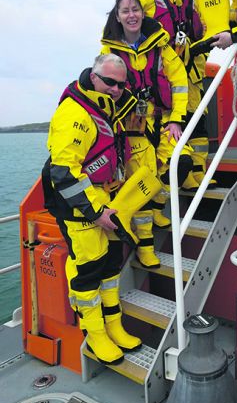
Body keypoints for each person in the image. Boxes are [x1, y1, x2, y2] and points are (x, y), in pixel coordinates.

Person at [42, 54, 161, 365]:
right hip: (81, 209)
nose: (116, 89)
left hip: (106, 201)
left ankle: (114, 326)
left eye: (121, 84)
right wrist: (97, 213)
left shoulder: (105, 107)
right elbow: (64, 172)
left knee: (110, 269)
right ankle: (95, 335)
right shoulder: (76, 113)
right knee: (88, 273)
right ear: (93, 77)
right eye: (109, 82)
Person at [100, 0, 192, 268]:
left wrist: (176, 119)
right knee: (140, 181)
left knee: (181, 162)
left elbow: (179, 82)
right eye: (125, 11)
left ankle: (158, 202)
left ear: (143, 12)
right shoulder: (109, 51)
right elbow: (104, 88)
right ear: (117, 17)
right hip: (131, 124)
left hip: (163, 118)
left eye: (135, 9)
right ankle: (145, 248)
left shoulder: (160, 45)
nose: (131, 15)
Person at [131, 0, 216, 191]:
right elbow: (127, 25)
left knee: (198, 126)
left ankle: (198, 177)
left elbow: (206, 26)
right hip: (162, 75)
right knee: (170, 127)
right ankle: (176, 177)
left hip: (193, 74)